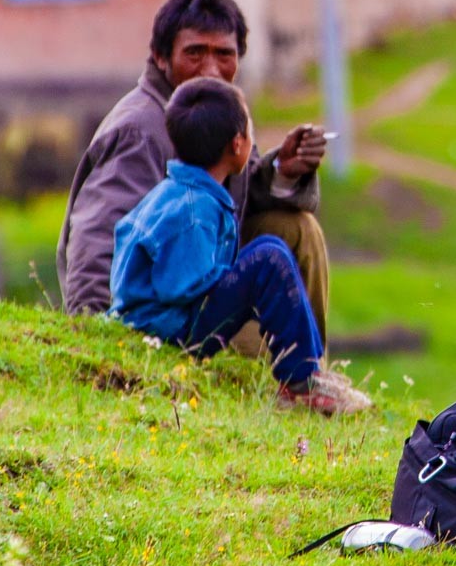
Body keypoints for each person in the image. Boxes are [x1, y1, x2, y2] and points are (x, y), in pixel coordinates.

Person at [57, 0, 335, 359]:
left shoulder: (213, 111)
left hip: (201, 277)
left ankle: (311, 370)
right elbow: (96, 240)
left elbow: (233, 193)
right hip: (162, 315)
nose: (210, 69)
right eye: (194, 53)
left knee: (297, 230)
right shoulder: (140, 131)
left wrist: (283, 168)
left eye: (224, 54)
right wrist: (96, 342)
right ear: (160, 57)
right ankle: (281, 378)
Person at [111, 77, 368, 413]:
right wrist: (242, 289)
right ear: (237, 144)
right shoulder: (195, 211)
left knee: (264, 260)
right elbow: (181, 287)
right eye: (251, 131)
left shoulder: (176, 193)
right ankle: (301, 382)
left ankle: (310, 369)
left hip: (163, 319)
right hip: (171, 330)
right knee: (269, 258)